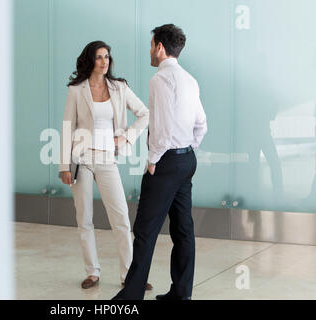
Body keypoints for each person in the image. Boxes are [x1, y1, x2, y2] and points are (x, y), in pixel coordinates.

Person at [112, 24, 208, 300]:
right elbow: (201, 124)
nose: (150, 51)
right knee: (182, 229)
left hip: (165, 164)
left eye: (152, 45)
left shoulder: (160, 80)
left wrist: (154, 160)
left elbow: (163, 128)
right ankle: (181, 294)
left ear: (160, 48)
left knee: (145, 229)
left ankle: (130, 298)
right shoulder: (190, 79)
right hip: (186, 160)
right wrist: (187, 150)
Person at [59, 40, 152, 290]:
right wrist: (63, 166)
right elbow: (68, 127)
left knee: (121, 217)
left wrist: (127, 137)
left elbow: (145, 114)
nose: (104, 61)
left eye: (107, 57)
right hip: (82, 159)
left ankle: (129, 276)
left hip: (107, 158)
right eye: (99, 57)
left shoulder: (119, 88)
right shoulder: (76, 90)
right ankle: (92, 272)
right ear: (90, 59)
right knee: (84, 218)